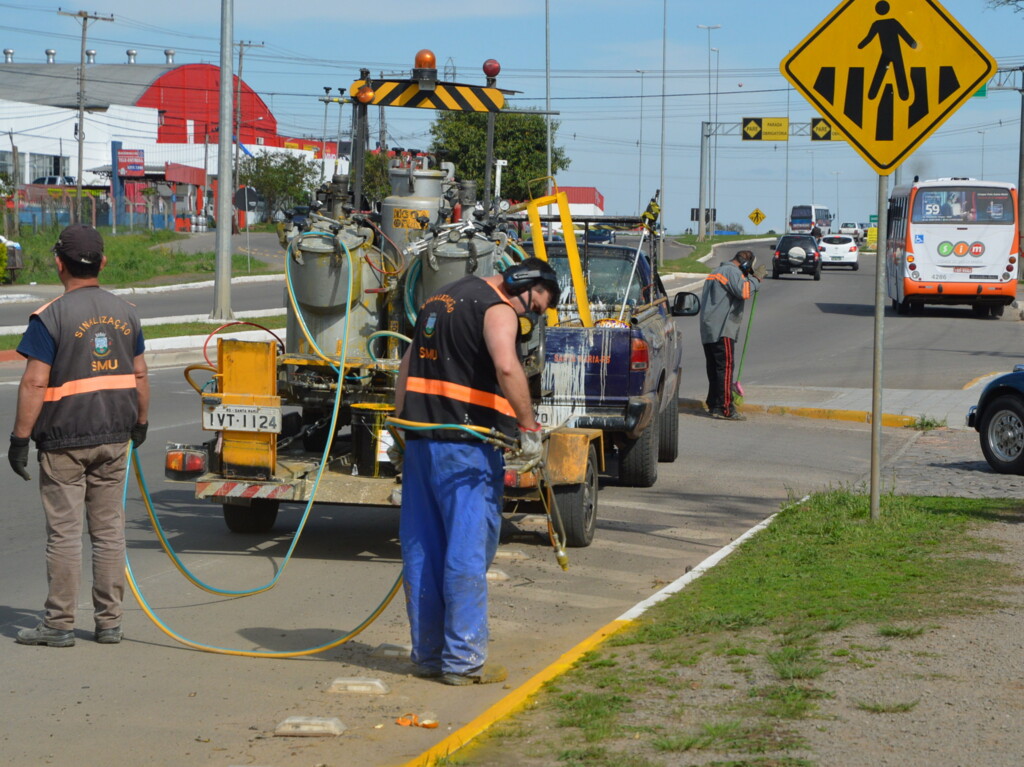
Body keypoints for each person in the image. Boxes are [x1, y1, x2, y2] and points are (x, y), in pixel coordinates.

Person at [393, 257, 559, 685]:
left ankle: (428, 655)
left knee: (422, 550)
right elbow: (506, 366)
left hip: (421, 444)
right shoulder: (498, 309)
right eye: (535, 306)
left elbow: (407, 365)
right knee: (466, 552)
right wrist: (528, 428)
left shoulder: (440, 298)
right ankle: (463, 662)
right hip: (466, 448)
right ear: (525, 283)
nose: (529, 316)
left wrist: (399, 425)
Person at [8, 224, 149, 648]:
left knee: (65, 534)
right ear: (102, 263)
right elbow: (140, 373)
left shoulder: (50, 316)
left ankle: (59, 624)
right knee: (109, 533)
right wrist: (140, 422)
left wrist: (19, 439)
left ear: (58, 264)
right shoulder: (126, 313)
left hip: (64, 443)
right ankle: (109, 623)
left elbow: (34, 383)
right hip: (114, 438)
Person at [700, 249, 764, 421]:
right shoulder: (731, 271)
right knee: (725, 369)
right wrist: (756, 280)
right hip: (723, 329)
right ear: (745, 264)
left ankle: (713, 403)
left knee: (714, 369)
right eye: (749, 267)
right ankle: (725, 408)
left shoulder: (715, 272)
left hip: (709, 329)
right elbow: (744, 292)